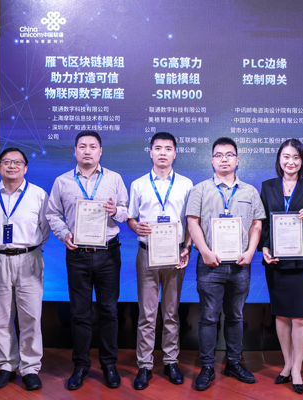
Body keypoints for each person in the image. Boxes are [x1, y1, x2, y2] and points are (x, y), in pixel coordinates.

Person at [46, 131, 129, 390]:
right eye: (82, 146)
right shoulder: (62, 181)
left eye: (93, 146)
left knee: (109, 311)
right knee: (80, 313)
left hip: (108, 253)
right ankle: (81, 365)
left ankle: (109, 364)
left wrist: (116, 211)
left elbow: (127, 211)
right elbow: (52, 214)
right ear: (75, 151)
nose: (87, 151)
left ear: (100, 151)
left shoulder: (114, 178)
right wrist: (64, 234)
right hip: (78, 254)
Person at [186, 137, 265, 391]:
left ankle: (233, 362)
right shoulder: (200, 190)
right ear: (212, 160)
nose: (224, 159)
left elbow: (257, 223)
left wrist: (251, 251)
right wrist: (205, 251)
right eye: (218, 155)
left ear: (237, 160)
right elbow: (192, 222)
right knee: (208, 317)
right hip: (210, 263)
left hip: (241, 264)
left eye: (229, 155)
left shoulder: (250, 191)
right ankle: (207, 366)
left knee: (236, 316)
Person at [127, 132, 193, 390]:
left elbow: (191, 221)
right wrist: (136, 227)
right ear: (150, 152)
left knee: (171, 312)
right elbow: (131, 217)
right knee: (147, 313)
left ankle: (171, 361)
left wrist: (187, 247)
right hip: (147, 253)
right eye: (158, 148)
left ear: (175, 153)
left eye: (168, 148)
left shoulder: (186, 184)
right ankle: (144, 365)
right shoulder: (138, 184)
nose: (163, 152)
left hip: (175, 254)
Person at [0, 148, 50, 391]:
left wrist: (29, 249)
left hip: (29, 258)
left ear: (25, 168)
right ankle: (7, 366)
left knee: (31, 316)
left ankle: (30, 368)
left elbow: (45, 228)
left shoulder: (38, 195)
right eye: (7, 162)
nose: (12, 166)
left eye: (17, 162)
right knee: (0, 316)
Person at [258, 139, 303, 394]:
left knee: (301, 316)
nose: (290, 162)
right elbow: (262, 222)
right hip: (276, 259)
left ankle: (297, 369)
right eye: (286, 156)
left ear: (302, 161)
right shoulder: (267, 186)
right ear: (279, 159)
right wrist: (263, 247)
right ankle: (286, 363)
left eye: (295, 157)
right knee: (282, 314)